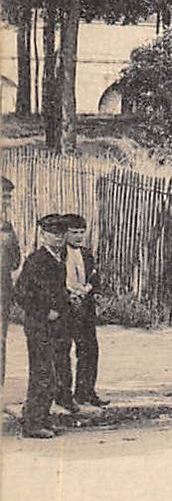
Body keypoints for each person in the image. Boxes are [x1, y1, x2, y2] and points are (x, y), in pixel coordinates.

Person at [13, 215, 71, 437]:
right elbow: (21, 294)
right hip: (39, 324)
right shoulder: (37, 260)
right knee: (42, 372)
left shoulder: (58, 258)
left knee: (52, 371)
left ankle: (43, 418)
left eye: (61, 233)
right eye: (53, 233)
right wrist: (45, 312)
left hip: (55, 325)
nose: (58, 237)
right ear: (43, 235)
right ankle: (32, 424)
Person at [58, 214, 105, 407]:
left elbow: (94, 277)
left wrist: (95, 291)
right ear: (65, 234)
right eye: (74, 232)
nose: (78, 237)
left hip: (84, 308)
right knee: (62, 351)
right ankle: (63, 394)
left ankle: (85, 392)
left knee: (89, 349)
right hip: (65, 308)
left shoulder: (86, 254)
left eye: (81, 232)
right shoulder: (58, 255)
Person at [1, 177, 18, 390]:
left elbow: (15, 260)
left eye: (8, 197)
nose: (6, 201)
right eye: (3, 196)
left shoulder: (7, 227)